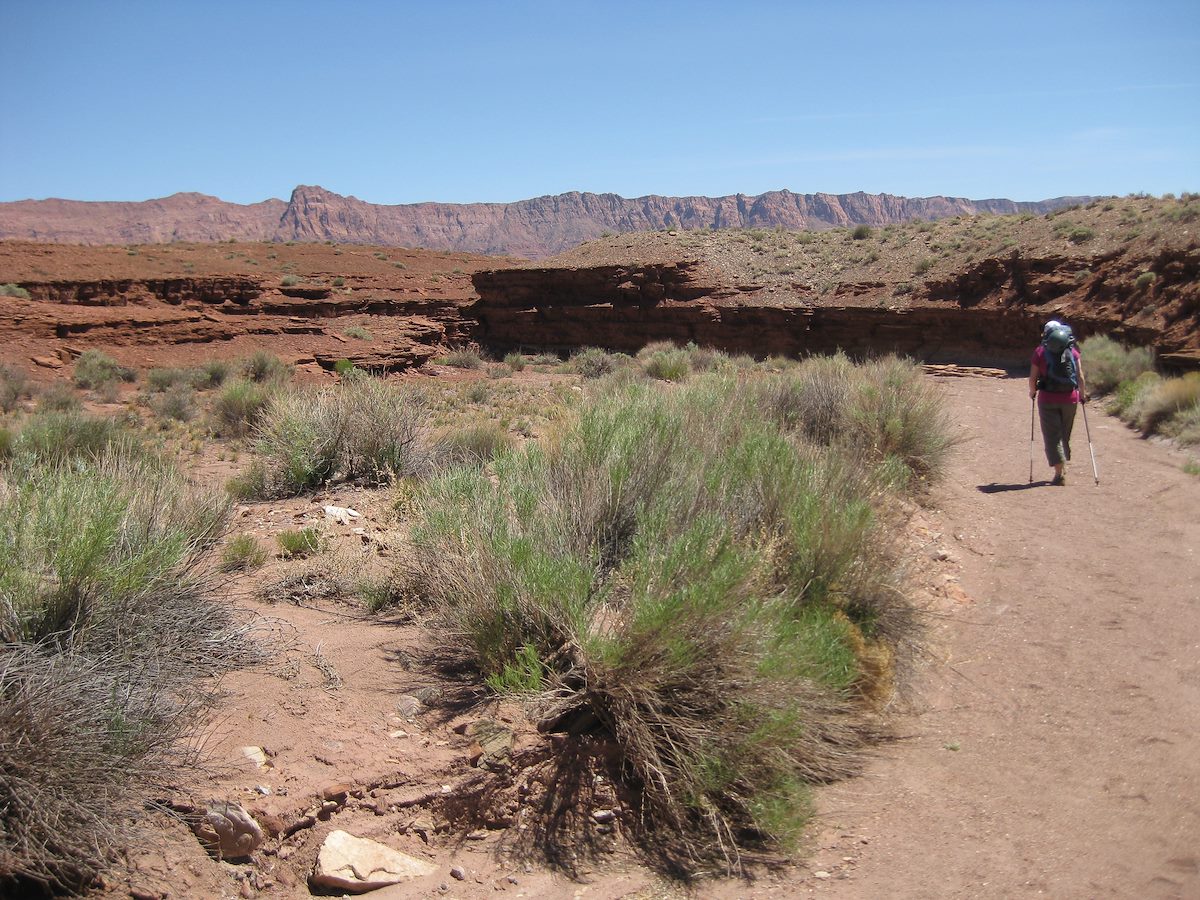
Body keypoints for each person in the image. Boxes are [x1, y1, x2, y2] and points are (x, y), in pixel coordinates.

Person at [1029, 320, 1087, 485]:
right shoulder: (1073, 351)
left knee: (1052, 436)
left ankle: (1059, 471)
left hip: (1047, 399)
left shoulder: (1040, 352)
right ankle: (1063, 462)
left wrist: (1032, 392)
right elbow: (1080, 376)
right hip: (1070, 398)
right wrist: (1083, 394)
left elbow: (1033, 378)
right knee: (1064, 434)